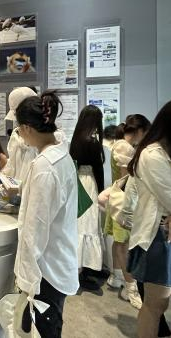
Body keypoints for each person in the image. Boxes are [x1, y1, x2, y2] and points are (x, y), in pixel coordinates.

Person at [12, 91, 78, 337]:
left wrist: (26, 279)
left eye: (19, 130)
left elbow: (35, 228)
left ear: (27, 129)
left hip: (45, 271)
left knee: (43, 329)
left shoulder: (44, 166)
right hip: (57, 259)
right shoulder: (60, 155)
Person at [126, 101, 171, 338]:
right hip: (158, 235)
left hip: (163, 233)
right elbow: (170, 196)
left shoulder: (161, 153)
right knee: (155, 305)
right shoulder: (152, 155)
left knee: (158, 304)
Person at [105, 114, 151, 309]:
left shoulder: (119, 144)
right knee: (123, 245)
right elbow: (126, 180)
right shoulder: (125, 147)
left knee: (119, 242)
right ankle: (130, 288)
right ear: (139, 131)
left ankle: (117, 278)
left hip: (117, 199)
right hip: (124, 202)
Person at [69, 105, 105, 289]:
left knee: (79, 225)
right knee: (89, 225)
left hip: (77, 183)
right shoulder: (92, 141)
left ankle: (76, 269)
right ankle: (83, 270)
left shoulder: (75, 139)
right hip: (89, 183)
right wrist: (102, 191)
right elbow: (98, 170)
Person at [2, 87, 66, 185]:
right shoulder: (16, 135)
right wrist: (3, 179)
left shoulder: (55, 140)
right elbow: (11, 165)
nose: (19, 128)